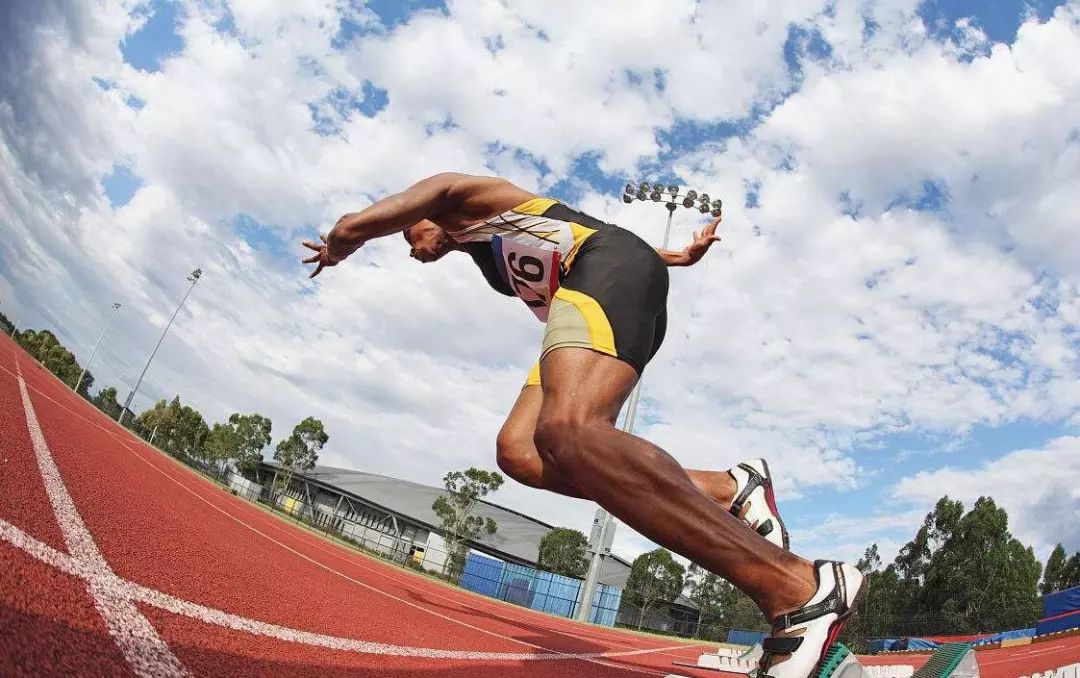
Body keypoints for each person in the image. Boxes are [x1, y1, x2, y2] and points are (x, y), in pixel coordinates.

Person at [302, 172, 864, 678]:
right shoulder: (486, 247)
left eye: (409, 235)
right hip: (600, 288)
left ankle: (800, 587)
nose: (412, 248)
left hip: (601, 275)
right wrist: (675, 258)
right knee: (521, 450)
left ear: (421, 217)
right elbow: (614, 247)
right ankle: (730, 486)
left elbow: (388, 214)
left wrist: (343, 240)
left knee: (569, 429)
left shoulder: (463, 197)